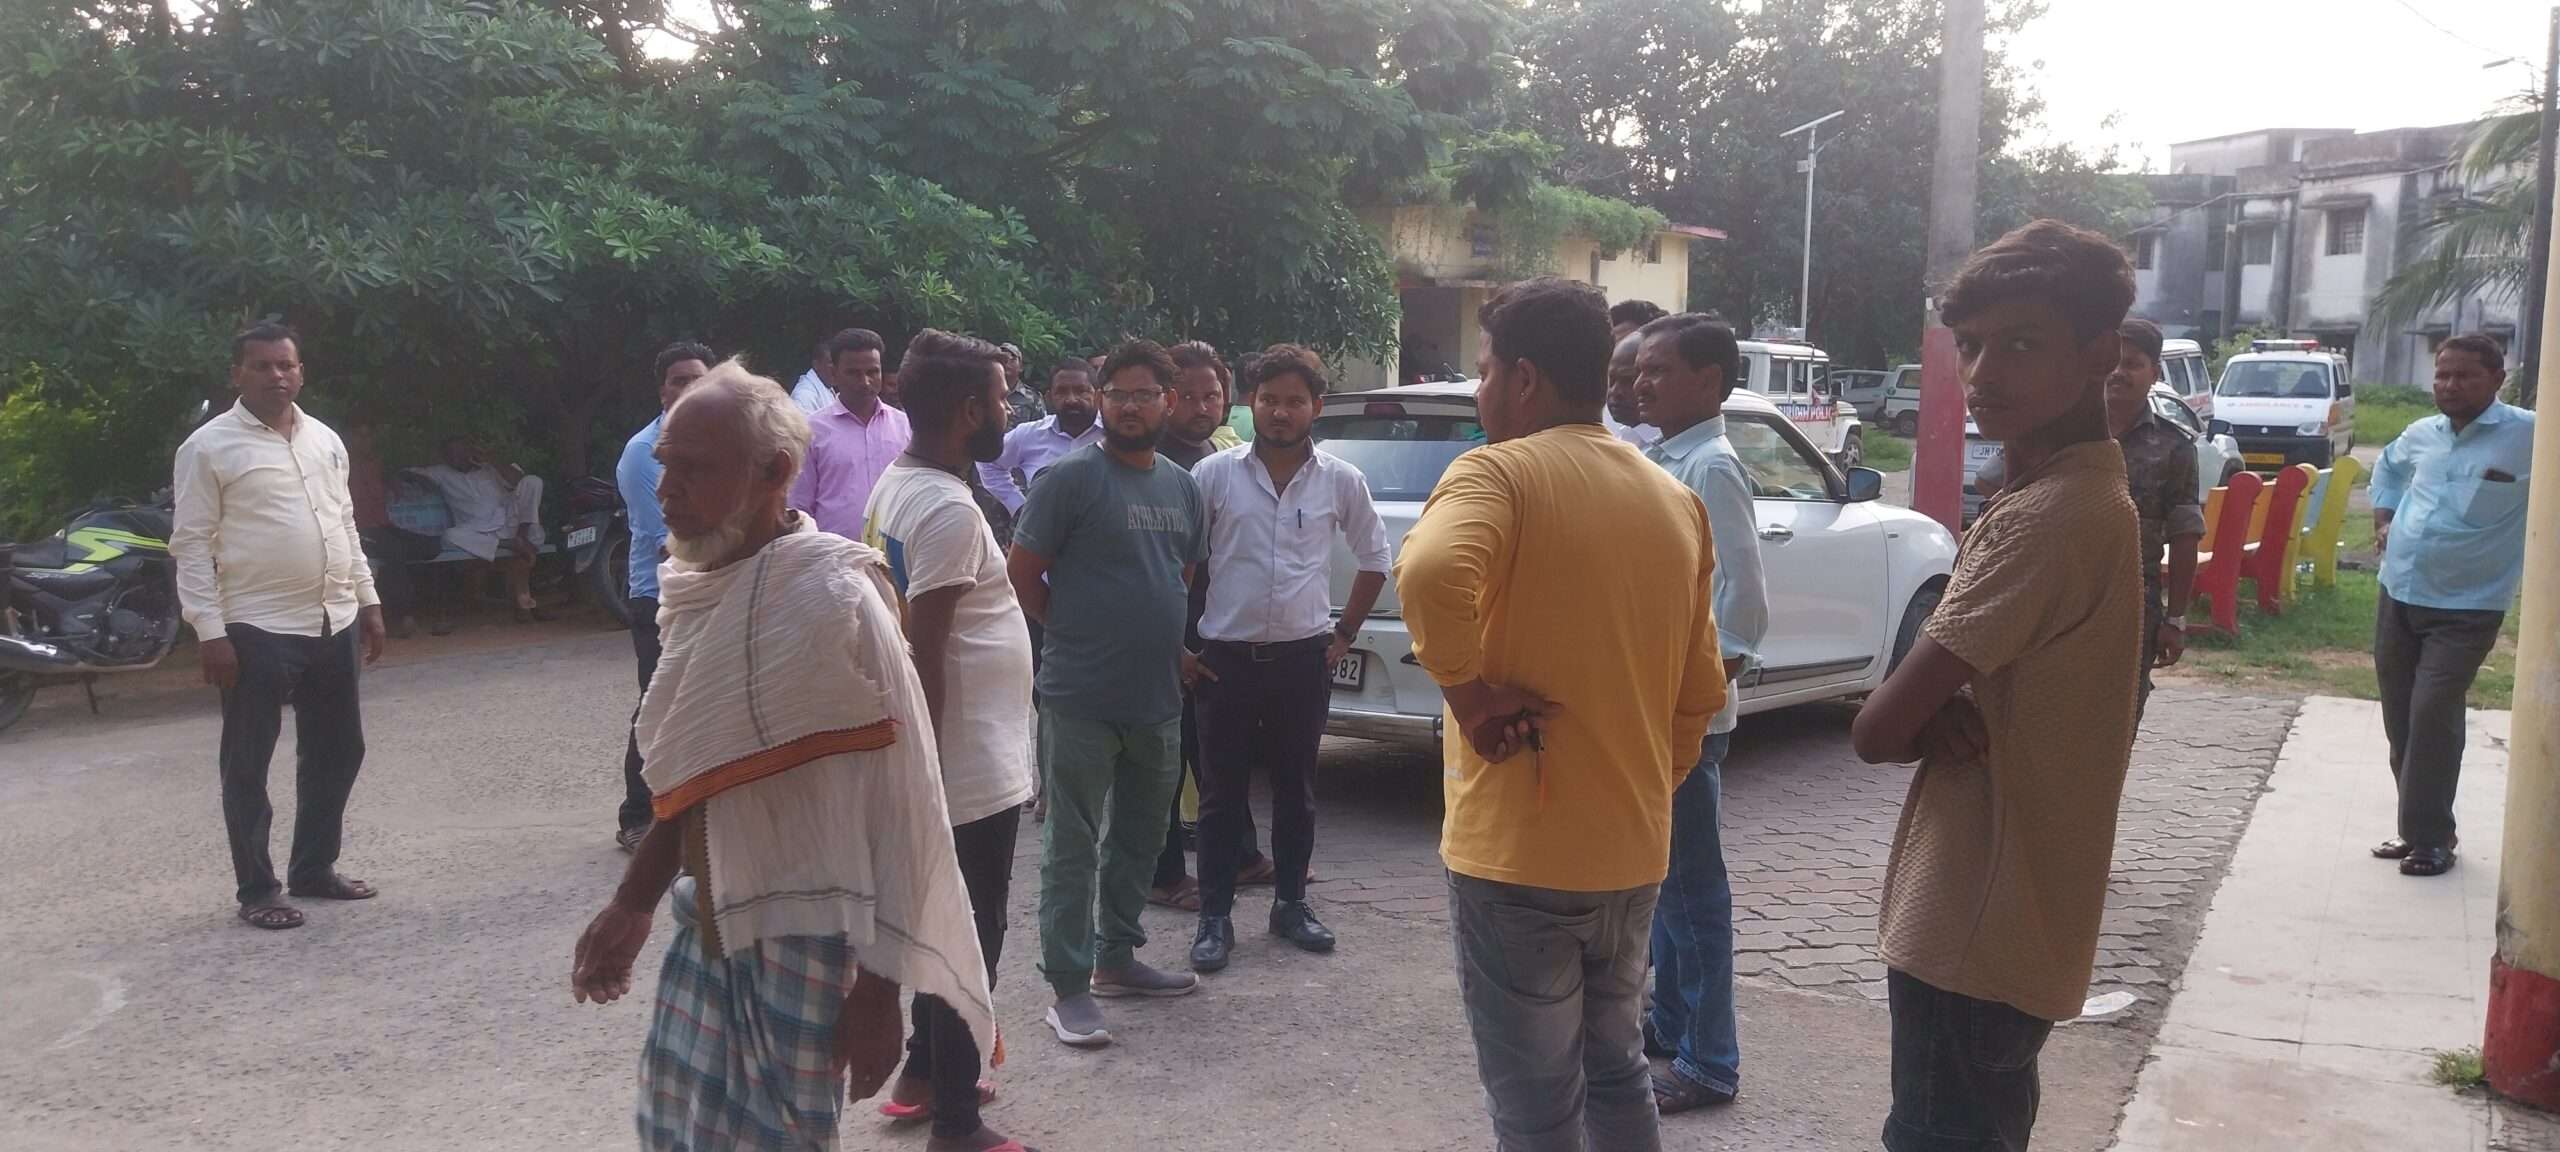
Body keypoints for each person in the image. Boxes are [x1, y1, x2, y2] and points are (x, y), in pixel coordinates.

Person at [569, 361, 992, 1152]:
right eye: (664, 465)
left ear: (775, 472)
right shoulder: (694, 583)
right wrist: (632, 904)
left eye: (695, 469)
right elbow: (699, 770)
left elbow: (905, 799)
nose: (667, 491)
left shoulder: (836, 597)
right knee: (677, 1133)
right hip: (707, 921)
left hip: (812, 936)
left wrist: (878, 990)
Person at [1399, 278, 1726, 1151]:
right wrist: (1645, 788)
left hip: (1520, 857)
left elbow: (1428, 575)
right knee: (1617, 1070)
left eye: (1484, 371)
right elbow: (1701, 690)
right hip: (1631, 854)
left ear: (1524, 379)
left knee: (1537, 1106)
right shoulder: (1673, 499)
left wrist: (1470, 699)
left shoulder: (1498, 472)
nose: (1480, 391)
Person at [1848, 220, 2144, 1152]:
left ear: (2100, 354)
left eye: (2021, 344)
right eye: (1970, 346)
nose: (1982, 373)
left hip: (1976, 925)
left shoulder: (2050, 515)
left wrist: (1923, 710)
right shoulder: (2072, 492)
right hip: (2016, 918)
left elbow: (1875, 730)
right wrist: (1941, 707)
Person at [864, 331, 1040, 1152]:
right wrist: (927, 772)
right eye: (1002, 398)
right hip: (963, 767)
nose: (1009, 409)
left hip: (963, 757)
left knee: (945, 925)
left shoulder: (902, 483)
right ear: (970, 412)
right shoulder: (946, 509)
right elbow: (923, 648)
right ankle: (958, 1124)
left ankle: (923, 1077)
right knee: (972, 938)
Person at [1008, 340, 1208, 1048]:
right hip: (1079, 697)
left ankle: (1116, 959)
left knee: (1140, 837)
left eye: (1144, 394)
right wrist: (1071, 630)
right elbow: (1023, 572)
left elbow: (1179, 577)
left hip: (1156, 698)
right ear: (1101, 400)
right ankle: (1068, 987)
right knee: (1071, 843)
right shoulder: (1070, 479)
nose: (1129, 406)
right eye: (1117, 393)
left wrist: (1162, 642)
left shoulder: (1182, 487)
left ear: (1168, 402)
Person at [170, 321, 388, 931]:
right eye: (262, 365)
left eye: (286, 365)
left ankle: (313, 869)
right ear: (236, 374)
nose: (276, 375)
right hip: (254, 624)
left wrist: (368, 600)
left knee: (339, 748)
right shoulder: (208, 448)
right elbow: (191, 545)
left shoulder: (324, 439)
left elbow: (344, 524)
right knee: (248, 761)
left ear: (301, 371)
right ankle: (258, 889)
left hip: (332, 618)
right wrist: (209, 631)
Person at [1183, 344, 1392, 973]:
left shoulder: (1340, 480)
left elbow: (1376, 559)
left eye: (1294, 401)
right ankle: (1214, 916)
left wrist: (1344, 634)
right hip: (1224, 661)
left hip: (1303, 662)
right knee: (1221, 795)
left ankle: (1291, 905)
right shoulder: (1213, 475)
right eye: (1269, 399)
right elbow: (1179, 563)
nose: (1280, 411)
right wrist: (1179, 648)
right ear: (1251, 403)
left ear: (1316, 407)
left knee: (1296, 791)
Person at [1630, 312, 1770, 1114]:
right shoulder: (1666, 456)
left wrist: (1690, 708)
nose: (1641, 382)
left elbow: (1742, 611)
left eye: (1658, 370)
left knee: (1692, 895)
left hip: (1684, 725)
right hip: (1657, 716)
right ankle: (1671, 1024)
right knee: (1667, 888)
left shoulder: (1711, 467)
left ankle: (1711, 1062)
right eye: (1639, 369)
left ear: (1709, 380)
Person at [2369, 332, 2534, 878]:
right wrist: (2384, 517)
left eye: (2464, 375)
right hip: (2398, 592)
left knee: (2433, 713)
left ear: (2497, 379)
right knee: (2401, 719)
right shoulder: (2422, 434)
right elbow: (2389, 468)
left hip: (2469, 605)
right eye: (2442, 374)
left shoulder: (2531, 435)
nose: (2449, 385)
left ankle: (2431, 838)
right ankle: (2420, 828)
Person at [1149, 340, 1268, 912]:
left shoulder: (1220, 453)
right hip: (1167, 627)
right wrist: (1172, 642)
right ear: (1167, 398)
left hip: (1216, 622)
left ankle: (1241, 856)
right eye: (1189, 395)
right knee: (1167, 756)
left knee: (1218, 749)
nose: (1202, 406)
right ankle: (1163, 874)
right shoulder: (1153, 462)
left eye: (1212, 395)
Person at [609, 341, 712, 852]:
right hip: (661, 595)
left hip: (711, 588)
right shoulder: (643, 452)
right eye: (679, 380)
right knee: (658, 702)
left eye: (698, 379)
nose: (690, 389)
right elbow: (668, 538)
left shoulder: (722, 441)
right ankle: (637, 815)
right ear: (662, 390)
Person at [2107, 318, 2204, 724]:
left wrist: (2175, 618)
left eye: (2132, 363)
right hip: (2056, 596)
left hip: (2132, 602)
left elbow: (2185, 536)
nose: (2118, 372)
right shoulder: (2061, 430)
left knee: (2117, 717)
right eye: (2112, 361)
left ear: (2154, 373)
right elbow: (1995, 481)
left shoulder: (2174, 447)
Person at [411, 437, 547, 629]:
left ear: (470, 451)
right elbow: (409, 474)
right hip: (478, 532)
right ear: (445, 456)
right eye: (451, 453)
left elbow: (519, 480)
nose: (456, 457)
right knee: (450, 536)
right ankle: (513, 550)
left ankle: (521, 538)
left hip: (511, 524)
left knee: (533, 481)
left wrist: (491, 459)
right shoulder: (441, 472)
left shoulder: (491, 468)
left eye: (461, 452)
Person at [790, 327, 912, 538]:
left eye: (872, 372)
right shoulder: (811, 432)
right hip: (833, 554)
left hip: (896, 552)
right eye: (853, 373)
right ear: (834, 374)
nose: (865, 382)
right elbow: (799, 507)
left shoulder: (904, 427)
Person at [345, 420, 438, 640]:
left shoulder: (378, 465)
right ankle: (404, 615)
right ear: (349, 438)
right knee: (394, 551)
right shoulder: (342, 465)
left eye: (368, 436)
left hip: (383, 527)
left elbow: (401, 479)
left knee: (431, 546)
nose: (364, 441)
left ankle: (395, 603)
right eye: (359, 436)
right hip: (357, 530)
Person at [980, 361, 1102, 514]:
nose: (1071, 399)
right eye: (1061, 392)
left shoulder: (1114, 435)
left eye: (1081, 391)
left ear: (1098, 396)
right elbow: (988, 460)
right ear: (1049, 398)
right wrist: (1018, 506)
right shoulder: (1030, 435)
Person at [1604, 332, 1661, 449]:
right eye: (1612, 380)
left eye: (1628, 381)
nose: (1615, 392)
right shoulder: (1619, 437)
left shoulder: (1676, 444)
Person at [789, 331, 838, 414]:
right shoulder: (804, 397)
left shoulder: (827, 387)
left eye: (838, 363)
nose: (836, 368)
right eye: (831, 362)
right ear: (816, 364)